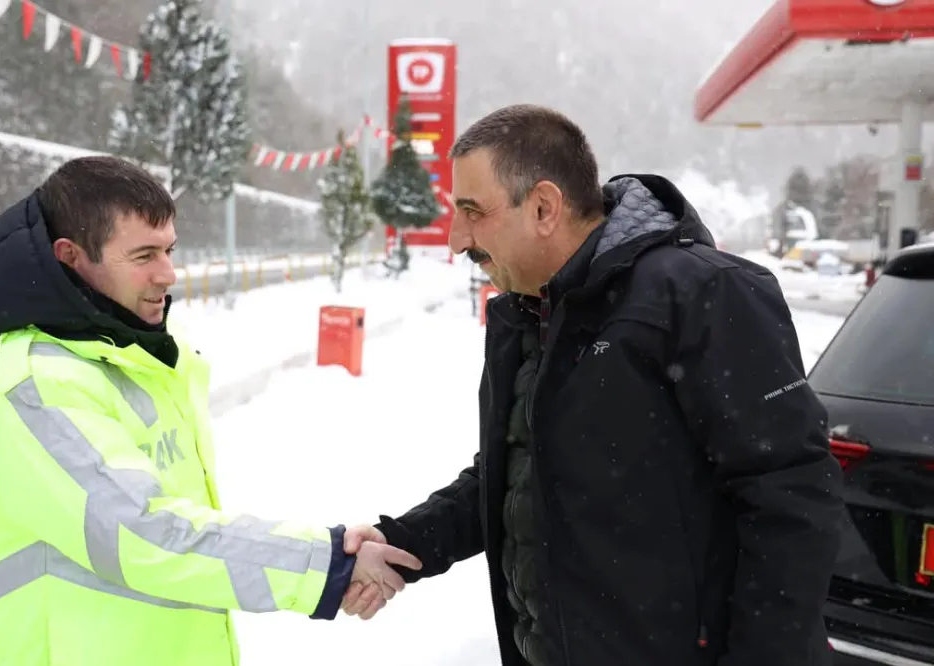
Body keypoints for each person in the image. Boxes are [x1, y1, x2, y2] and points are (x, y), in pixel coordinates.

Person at [340, 104, 845, 666]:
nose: (457, 239)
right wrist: (404, 541)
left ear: (544, 207)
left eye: (472, 211)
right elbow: (516, 474)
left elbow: (790, 498)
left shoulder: (703, 294)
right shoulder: (529, 314)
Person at [0, 156, 420, 666]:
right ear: (70, 256)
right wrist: (327, 565)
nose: (168, 273)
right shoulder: (31, 383)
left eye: (169, 249)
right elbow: (141, 534)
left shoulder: (140, 359)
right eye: (143, 255)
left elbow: (179, 525)